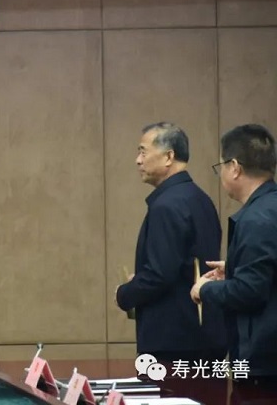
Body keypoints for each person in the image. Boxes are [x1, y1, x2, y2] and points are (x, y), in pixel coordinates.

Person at [116, 122, 227, 363]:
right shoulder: (200, 199)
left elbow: (159, 275)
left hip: (174, 341)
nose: (138, 160)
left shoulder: (167, 205)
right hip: (203, 335)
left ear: (168, 157)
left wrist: (124, 294)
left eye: (143, 152)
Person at [191, 124, 277, 400]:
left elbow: (250, 291)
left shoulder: (256, 219)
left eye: (221, 167)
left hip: (264, 368)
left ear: (235, 167)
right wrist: (235, 269)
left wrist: (205, 289)